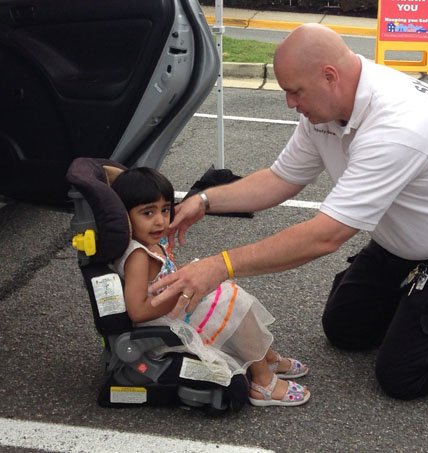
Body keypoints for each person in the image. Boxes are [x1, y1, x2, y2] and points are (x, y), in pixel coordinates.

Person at [149, 23, 428, 400]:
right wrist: (204, 201)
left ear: (330, 75)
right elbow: (282, 179)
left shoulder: (398, 125)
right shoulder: (326, 108)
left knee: (405, 372)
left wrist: (220, 266)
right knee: (346, 331)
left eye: (294, 91)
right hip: (404, 241)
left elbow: (325, 236)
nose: (289, 104)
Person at [110, 167, 310, 407]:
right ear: (125, 217)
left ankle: (264, 358)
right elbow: (137, 312)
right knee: (232, 304)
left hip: (173, 308)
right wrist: (178, 297)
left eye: (165, 210)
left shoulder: (151, 243)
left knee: (230, 294)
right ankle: (263, 382)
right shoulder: (138, 257)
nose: (160, 220)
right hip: (164, 321)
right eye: (148, 213)